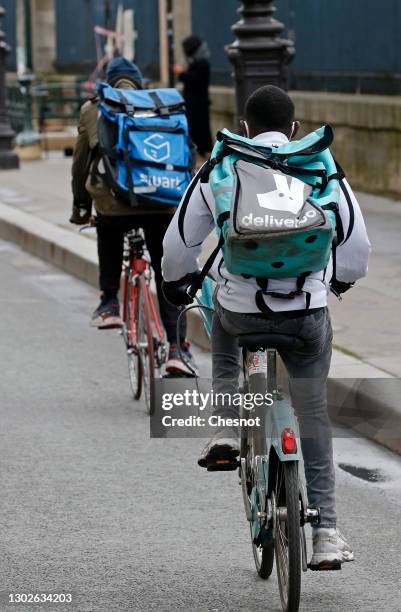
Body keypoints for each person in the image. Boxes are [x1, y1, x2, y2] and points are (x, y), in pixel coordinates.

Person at [161, 85, 371, 568]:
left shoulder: (223, 165)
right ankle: (327, 534)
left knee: (226, 323)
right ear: (295, 130)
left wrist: (180, 285)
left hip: (242, 310)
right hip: (306, 317)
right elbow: (356, 250)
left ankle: (225, 430)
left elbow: (177, 249)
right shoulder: (320, 166)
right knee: (313, 412)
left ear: (243, 127)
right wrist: (331, 283)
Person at [70, 57, 194, 375]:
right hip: (163, 202)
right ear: (140, 85)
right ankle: (177, 350)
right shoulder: (163, 107)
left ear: (109, 84)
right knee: (168, 273)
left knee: (108, 226)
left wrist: (81, 208)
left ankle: (110, 302)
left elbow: (81, 164)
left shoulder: (93, 109)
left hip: (115, 203)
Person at [174, 35, 213, 159]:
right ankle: (200, 149)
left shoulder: (201, 63)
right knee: (197, 127)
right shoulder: (199, 62)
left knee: (198, 128)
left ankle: (200, 150)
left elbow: (193, 80)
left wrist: (182, 73)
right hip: (196, 101)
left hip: (197, 102)